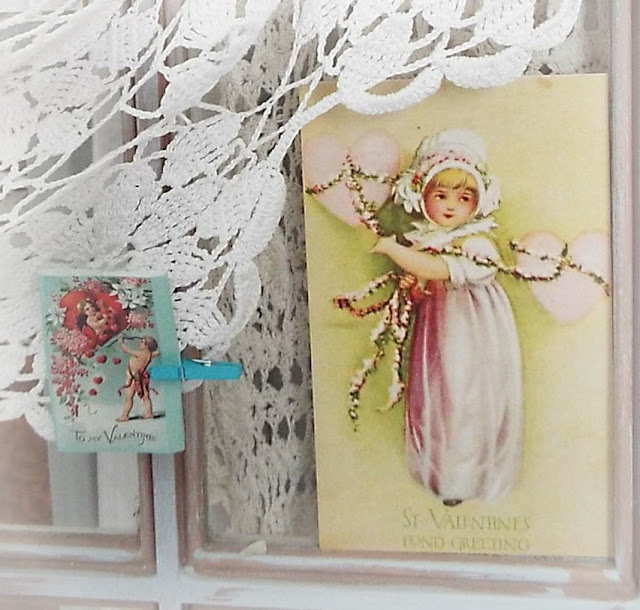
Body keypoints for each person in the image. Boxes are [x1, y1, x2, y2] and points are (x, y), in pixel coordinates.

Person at [372, 129, 523, 505]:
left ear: (479, 201)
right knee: (436, 396)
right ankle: (442, 473)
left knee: (464, 397)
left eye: (464, 197)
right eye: (441, 195)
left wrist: (394, 250)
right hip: (440, 329)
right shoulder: (431, 241)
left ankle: (464, 478)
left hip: (473, 333)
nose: (452, 206)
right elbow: (426, 279)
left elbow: (438, 269)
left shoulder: (477, 244)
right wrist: (413, 286)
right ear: (422, 196)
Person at [117, 335, 159, 422]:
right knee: (146, 397)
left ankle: (125, 415)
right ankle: (149, 413)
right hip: (142, 378)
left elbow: (126, 350)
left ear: (147, 346)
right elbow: (157, 353)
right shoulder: (149, 354)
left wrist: (121, 343)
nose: (140, 343)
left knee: (128, 398)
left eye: (142, 342)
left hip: (133, 378)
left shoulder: (140, 354)